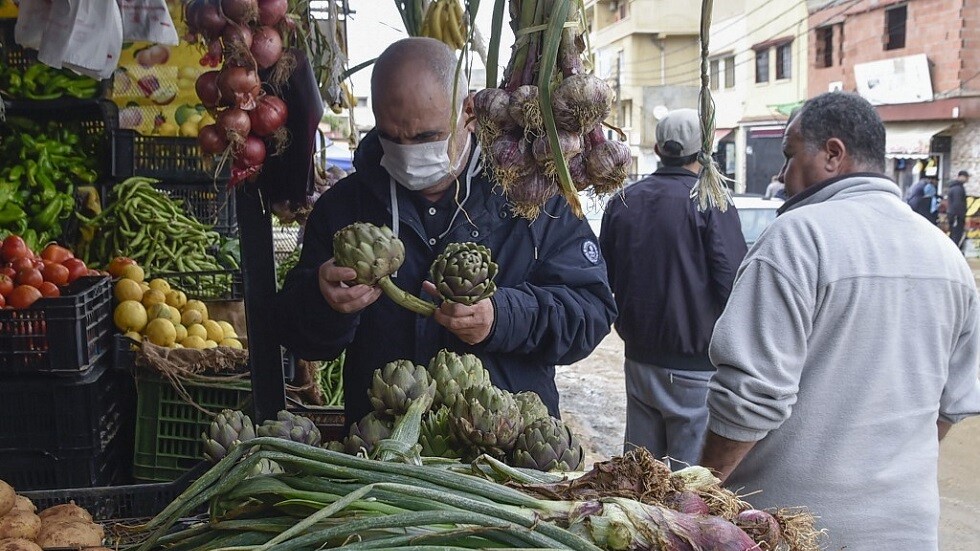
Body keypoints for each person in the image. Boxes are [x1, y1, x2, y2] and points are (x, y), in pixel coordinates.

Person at [275, 38, 617, 427]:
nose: (408, 153)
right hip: (383, 453)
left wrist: (502, 318)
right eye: (391, 137)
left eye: (426, 138)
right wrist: (323, 301)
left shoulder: (533, 199)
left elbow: (591, 311)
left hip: (507, 446)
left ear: (468, 111)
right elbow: (297, 336)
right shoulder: (343, 208)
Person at [700, 92, 980, 550]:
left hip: (793, 530)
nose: (782, 175)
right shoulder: (948, 257)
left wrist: (700, 492)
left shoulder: (796, 238)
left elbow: (750, 397)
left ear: (833, 154)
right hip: (908, 532)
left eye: (790, 157)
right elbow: (953, 404)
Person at [599, 108, 747, 467]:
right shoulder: (711, 201)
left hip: (638, 360)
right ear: (703, 151)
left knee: (639, 478)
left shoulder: (623, 201)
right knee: (687, 489)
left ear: (658, 149)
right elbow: (734, 284)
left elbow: (605, 278)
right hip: (695, 368)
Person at [946, 170, 970, 249]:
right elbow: (958, 203)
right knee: (956, 234)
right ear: (961, 177)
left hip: (953, 214)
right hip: (956, 215)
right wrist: (960, 215)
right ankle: (953, 251)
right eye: (967, 177)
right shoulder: (958, 189)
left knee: (953, 233)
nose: (968, 179)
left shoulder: (955, 187)